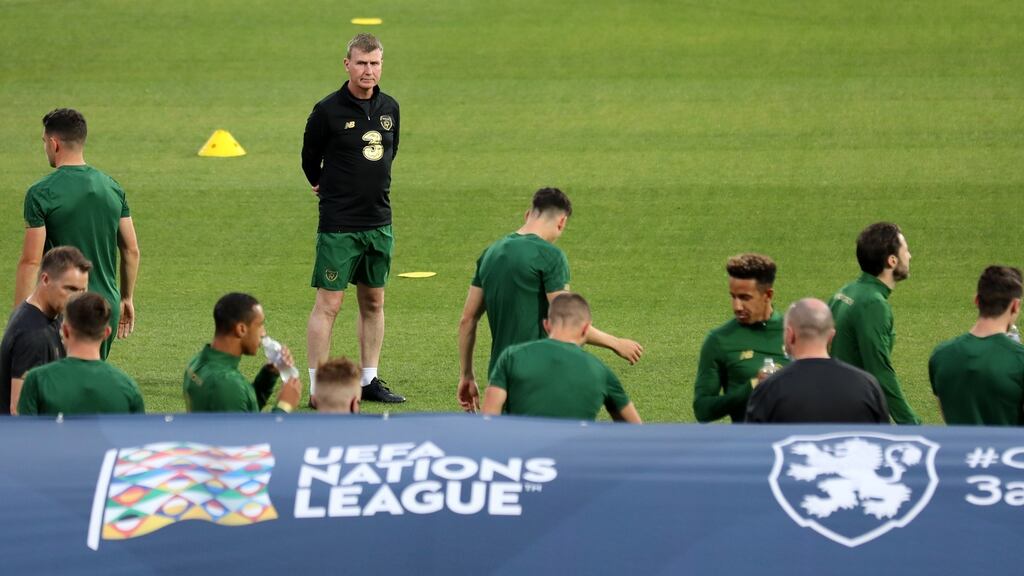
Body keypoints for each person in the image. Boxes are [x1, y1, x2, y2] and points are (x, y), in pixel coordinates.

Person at [458, 188, 644, 412]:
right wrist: (615, 343)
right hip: (541, 376)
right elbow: (567, 322)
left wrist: (467, 375)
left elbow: (467, 320)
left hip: (501, 377)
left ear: (528, 215)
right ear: (562, 222)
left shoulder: (489, 254)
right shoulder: (550, 256)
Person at [302, 33, 403, 404]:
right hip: (339, 224)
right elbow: (308, 159)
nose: (368, 70)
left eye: (375, 63)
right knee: (329, 304)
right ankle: (318, 388)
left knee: (374, 301)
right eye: (361, 63)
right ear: (347, 64)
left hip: (379, 220)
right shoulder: (327, 111)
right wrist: (322, 184)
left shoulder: (390, 108)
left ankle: (368, 380)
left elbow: (391, 155)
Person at [15, 108, 141, 360]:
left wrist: (20, 318)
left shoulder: (41, 193)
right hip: (105, 306)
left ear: (54, 143)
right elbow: (131, 250)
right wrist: (126, 297)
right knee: (88, 382)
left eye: (44, 142)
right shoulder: (112, 187)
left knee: (53, 387)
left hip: (62, 308)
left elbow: (31, 261)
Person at [482, 293, 641, 422]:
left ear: (546, 325)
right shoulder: (600, 371)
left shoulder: (511, 357)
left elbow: (488, 420)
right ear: (586, 329)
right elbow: (635, 431)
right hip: (573, 459)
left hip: (525, 458)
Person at [828, 222, 920, 424]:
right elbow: (879, 371)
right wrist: (911, 424)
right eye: (907, 250)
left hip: (834, 404)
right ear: (892, 260)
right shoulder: (873, 304)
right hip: (857, 413)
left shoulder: (846, 291)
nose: (910, 256)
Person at [745, 298, 889, 423]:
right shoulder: (868, 385)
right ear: (831, 336)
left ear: (790, 335)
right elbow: (882, 442)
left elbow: (754, 447)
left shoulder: (769, 389)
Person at [693, 253, 787, 423]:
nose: (737, 306)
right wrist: (753, 386)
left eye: (745, 298)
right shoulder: (719, 340)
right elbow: (703, 409)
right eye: (733, 296)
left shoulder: (795, 333)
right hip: (749, 446)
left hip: (794, 443)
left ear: (768, 295)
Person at [17, 292, 144, 416]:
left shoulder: (37, 381)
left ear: (65, 330)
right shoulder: (128, 388)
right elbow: (138, 436)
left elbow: (25, 434)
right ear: (106, 333)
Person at [930, 266, 1024, 425]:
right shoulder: (1019, 360)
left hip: (959, 450)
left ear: (977, 300)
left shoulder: (940, 356)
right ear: (1015, 305)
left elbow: (946, 414)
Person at [2, 247, 91, 415]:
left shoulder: (49, 312)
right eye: (70, 289)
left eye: (82, 290)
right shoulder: (33, 336)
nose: (77, 298)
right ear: (45, 279)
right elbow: (19, 410)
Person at [184, 293, 301, 413]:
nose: (263, 333)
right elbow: (247, 431)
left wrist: (268, 375)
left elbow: (242, 407)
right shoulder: (226, 384)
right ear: (241, 329)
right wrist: (284, 406)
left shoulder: (197, 362)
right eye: (260, 325)